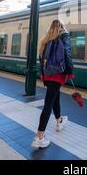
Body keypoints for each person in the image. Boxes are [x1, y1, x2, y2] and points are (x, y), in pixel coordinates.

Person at [31, 20, 74, 149]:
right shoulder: (64, 36)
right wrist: (70, 71)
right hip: (57, 74)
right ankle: (39, 137)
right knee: (48, 104)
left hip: (48, 75)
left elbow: (41, 59)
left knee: (55, 97)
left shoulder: (46, 40)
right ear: (61, 27)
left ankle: (59, 120)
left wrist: (42, 74)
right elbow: (67, 54)